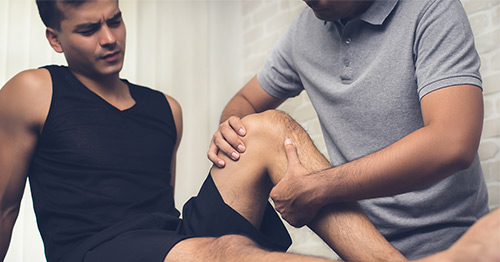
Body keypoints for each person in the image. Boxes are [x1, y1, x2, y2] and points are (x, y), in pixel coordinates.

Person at [0, 0, 409, 261]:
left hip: (167, 238)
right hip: (93, 250)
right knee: (231, 251)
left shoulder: (166, 108)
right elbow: (5, 206)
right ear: (55, 39)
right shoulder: (34, 89)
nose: (109, 38)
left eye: (116, 21)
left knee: (267, 127)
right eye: (89, 30)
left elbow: (159, 213)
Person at [208, 0, 489, 259]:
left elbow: (453, 144)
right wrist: (231, 126)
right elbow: (243, 101)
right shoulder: (303, 31)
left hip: (450, 247)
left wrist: (320, 187)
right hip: (362, 248)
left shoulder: (431, 9)